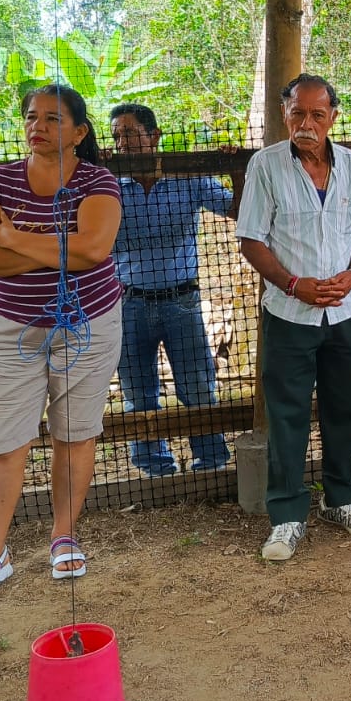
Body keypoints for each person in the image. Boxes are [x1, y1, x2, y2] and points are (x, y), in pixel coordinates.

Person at [0, 84, 123, 602]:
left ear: (79, 131)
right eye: (32, 117)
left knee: (75, 433)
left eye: (52, 118)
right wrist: (56, 251)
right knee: (5, 440)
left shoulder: (97, 180)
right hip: (11, 325)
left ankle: (63, 535)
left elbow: (93, 250)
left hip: (88, 323)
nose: (38, 126)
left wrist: (8, 238)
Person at [238, 74, 351, 561]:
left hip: (346, 311)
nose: (307, 123)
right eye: (298, 113)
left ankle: (341, 499)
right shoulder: (266, 166)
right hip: (289, 313)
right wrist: (292, 284)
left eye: (317, 115)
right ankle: (286, 515)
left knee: (347, 409)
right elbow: (251, 239)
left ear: (332, 117)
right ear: (285, 114)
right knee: (287, 414)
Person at [109, 103, 244, 476]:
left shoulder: (186, 177)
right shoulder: (108, 184)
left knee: (197, 387)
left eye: (130, 133)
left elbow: (237, 209)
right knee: (138, 392)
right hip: (129, 303)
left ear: (154, 136)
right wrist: (92, 165)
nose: (122, 143)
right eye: (117, 136)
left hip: (181, 301)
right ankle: (155, 469)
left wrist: (234, 168)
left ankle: (211, 464)